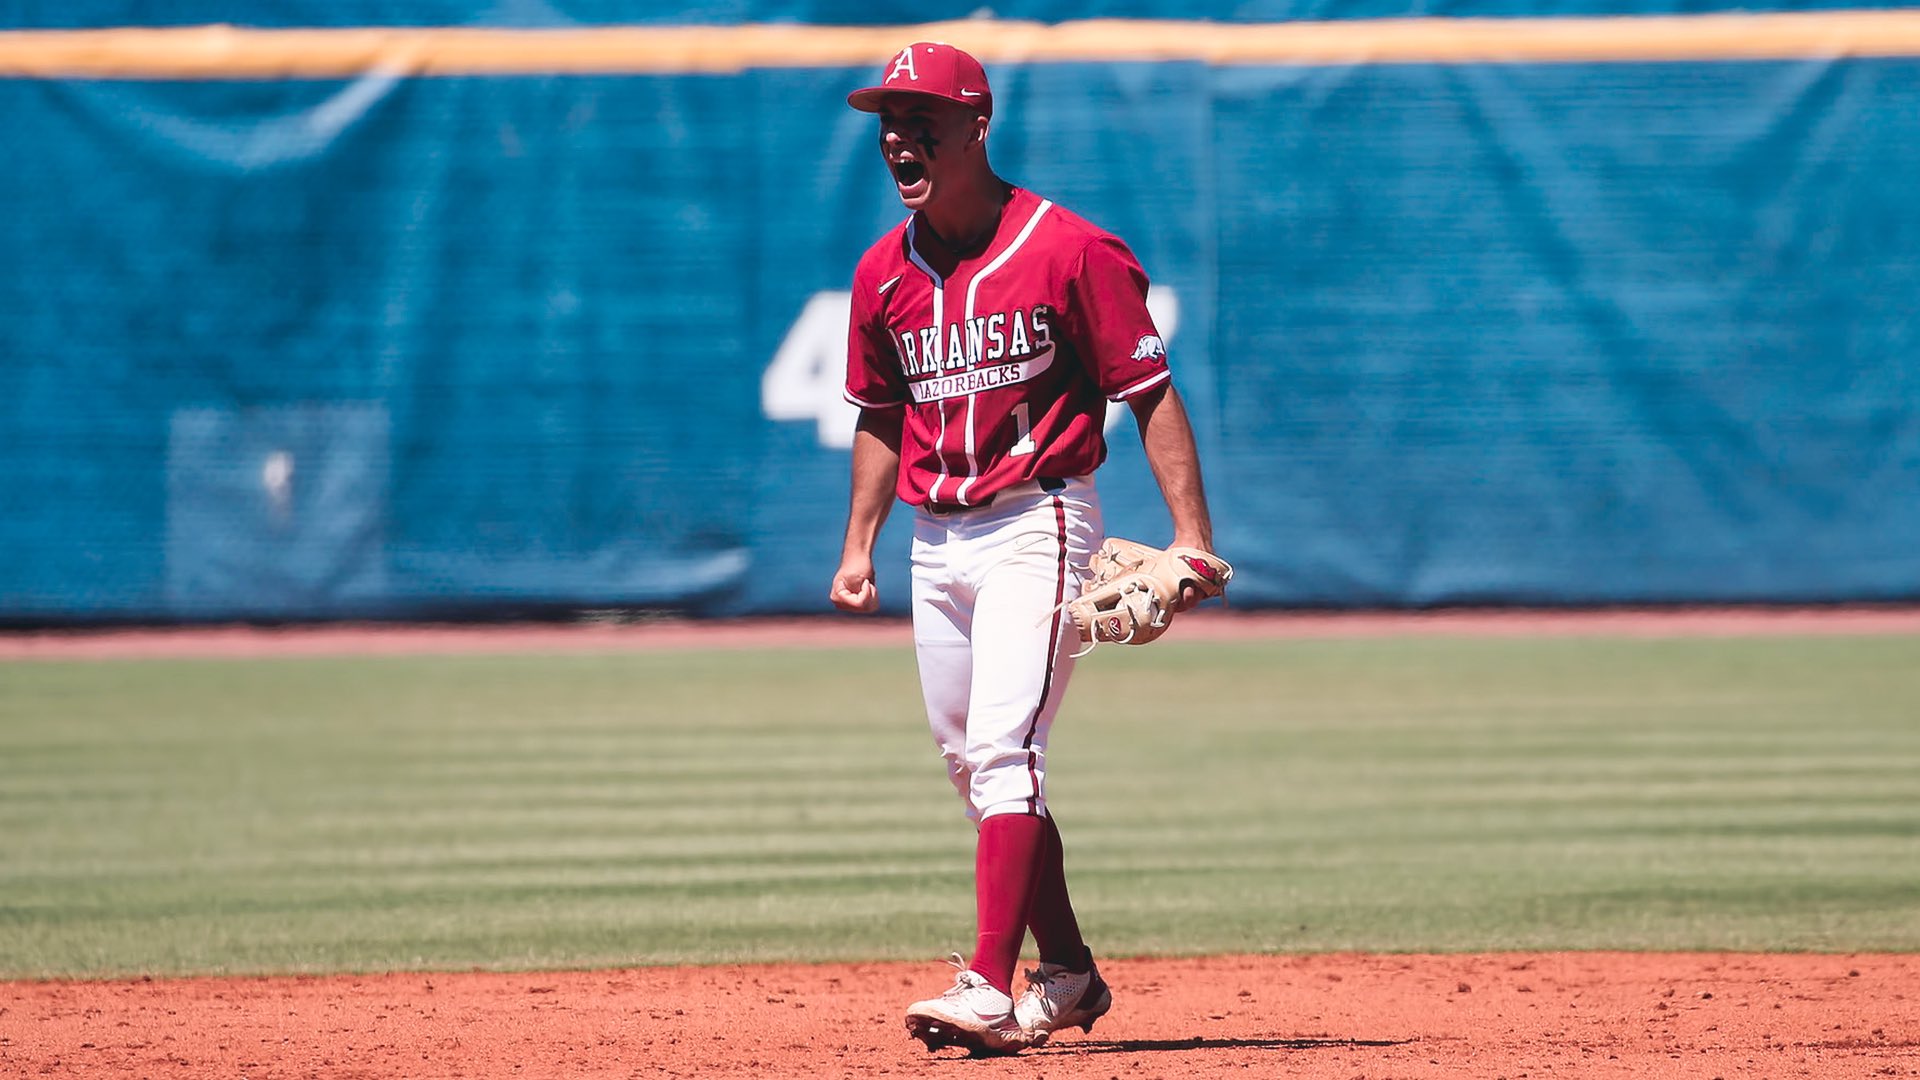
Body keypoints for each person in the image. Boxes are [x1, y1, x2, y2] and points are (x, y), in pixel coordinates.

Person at [828, 42, 1219, 1056]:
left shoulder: (1070, 249)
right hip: (932, 539)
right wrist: (858, 542)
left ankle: (989, 988)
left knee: (1008, 754)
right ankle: (1073, 976)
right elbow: (879, 416)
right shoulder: (883, 275)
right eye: (887, 118)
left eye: (920, 116)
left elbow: (1148, 392)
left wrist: (1192, 537)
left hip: (1037, 522)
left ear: (976, 125)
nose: (898, 136)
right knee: (974, 769)